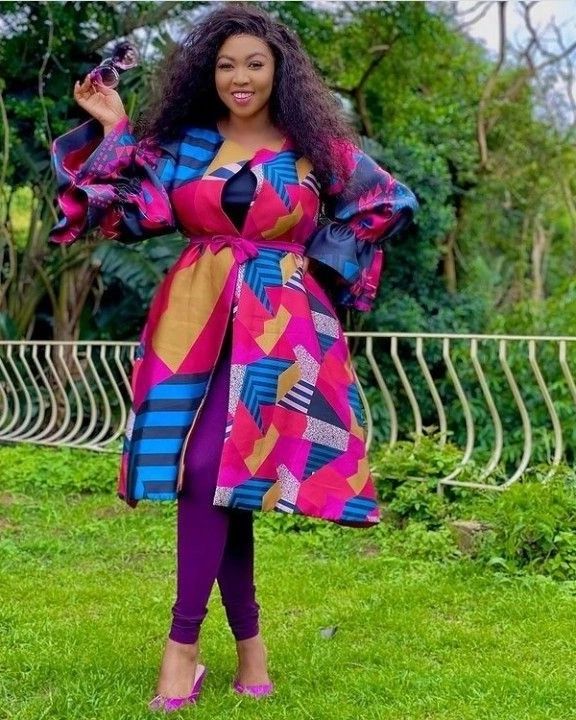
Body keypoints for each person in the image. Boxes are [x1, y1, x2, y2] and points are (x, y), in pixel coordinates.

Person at [49, 3, 418, 712]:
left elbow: (386, 202)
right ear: (208, 74)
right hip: (193, 320)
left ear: (280, 71)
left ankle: (181, 648)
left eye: (254, 63)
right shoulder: (186, 146)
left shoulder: (317, 148)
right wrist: (114, 124)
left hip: (279, 327)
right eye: (225, 65)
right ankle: (251, 651)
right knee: (220, 478)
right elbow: (124, 207)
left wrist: (319, 267)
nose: (239, 77)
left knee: (212, 472)